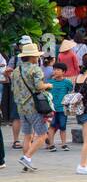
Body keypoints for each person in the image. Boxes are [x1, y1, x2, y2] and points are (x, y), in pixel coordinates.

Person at [12, 41, 52, 173]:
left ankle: (26, 163)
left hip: (21, 107)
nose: (38, 58)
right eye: (36, 56)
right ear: (32, 57)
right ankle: (27, 158)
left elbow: (14, 88)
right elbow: (39, 86)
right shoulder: (35, 69)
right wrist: (48, 86)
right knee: (42, 135)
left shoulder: (16, 71)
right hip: (34, 106)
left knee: (27, 135)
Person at [46, 61, 73, 153]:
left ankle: (64, 144)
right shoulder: (49, 83)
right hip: (52, 109)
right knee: (52, 126)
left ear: (64, 72)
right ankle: (51, 144)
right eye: (54, 69)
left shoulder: (67, 83)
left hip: (63, 109)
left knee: (63, 126)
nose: (55, 71)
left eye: (58, 70)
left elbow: (71, 92)